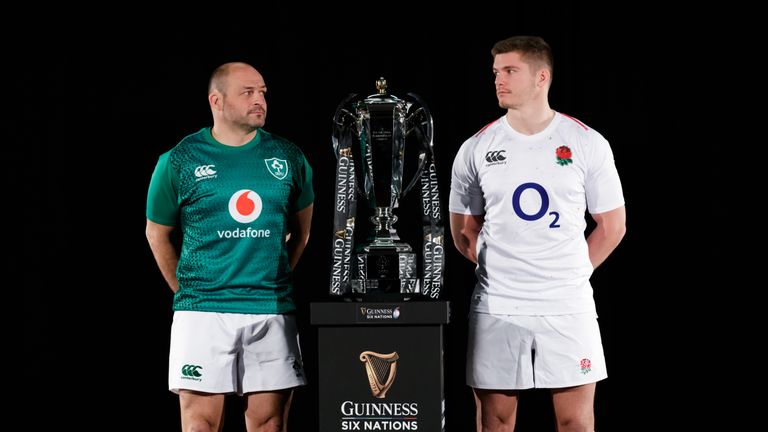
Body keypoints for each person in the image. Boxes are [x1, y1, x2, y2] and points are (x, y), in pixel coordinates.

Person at [449, 36, 626, 431]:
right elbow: (463, 230)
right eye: (496, 72)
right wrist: (504, 267)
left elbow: (612, 225)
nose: (499, 80)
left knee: (574, 422)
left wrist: (572, 271)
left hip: (567, 304)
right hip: (498, 303)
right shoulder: (476, 147)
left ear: (541, 77)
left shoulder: (585, 141)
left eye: (510, 71)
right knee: (494, 421)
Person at [145, 62, 314, 432]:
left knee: (269, 423)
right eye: (248, 92)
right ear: (216, 101)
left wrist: (273, 279)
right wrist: (190, 291)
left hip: (271, 310)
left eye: (263, 92)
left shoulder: (289, 157)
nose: (260, 100)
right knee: (201, 423)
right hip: (203, 313)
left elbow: (301, 236)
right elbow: (156, 234)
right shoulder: (180, 160)